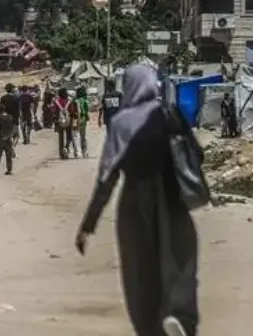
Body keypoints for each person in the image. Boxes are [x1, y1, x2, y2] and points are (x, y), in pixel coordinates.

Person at [75, 64, 199, 336]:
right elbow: (196, 155)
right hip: (173, 200)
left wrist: (88, 225)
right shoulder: (171, 113)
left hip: (135, 204)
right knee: (180, 262)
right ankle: (182, 319)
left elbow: (107, 177)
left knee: (139, 271)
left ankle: (149, 328)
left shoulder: (121, 123)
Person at [0, 83, 21, 175]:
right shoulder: (16, 98)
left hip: (4, 121)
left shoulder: (3, 98)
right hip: (14, 120)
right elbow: (19, 109)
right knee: (16, 136)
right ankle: (11, 148)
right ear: (12, 89)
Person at [52, 87, 73, 160]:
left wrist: (55, 120)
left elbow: (54, 111)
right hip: (68, 121)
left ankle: (61, 154)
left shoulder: (56, 101)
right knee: (69, 136)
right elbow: (72, 111)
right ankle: (66, 148)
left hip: (59, 121)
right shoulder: (69, 101)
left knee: (61, 138)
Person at [74, 85, 91, 158]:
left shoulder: (75, 100)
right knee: (83, 136)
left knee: (76, 136)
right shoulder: (85, 100)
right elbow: (87, 111)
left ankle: (77, 153)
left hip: (75, 120)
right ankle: (85, 152)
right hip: (83, 119)